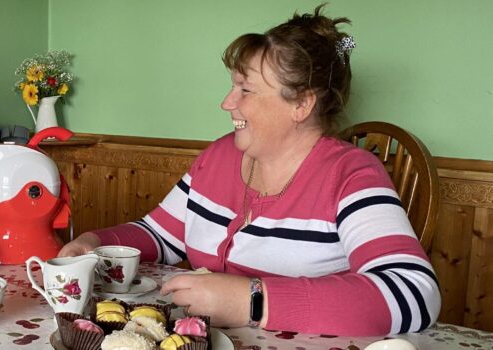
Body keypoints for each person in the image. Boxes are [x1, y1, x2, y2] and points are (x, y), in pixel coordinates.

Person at [58, 5, 440, 337]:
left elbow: (414, 293)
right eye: (232, 87)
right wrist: (94, 242)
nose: (227, 103)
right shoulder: (220, 155)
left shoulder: (352, 173)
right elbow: (160, 235)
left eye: (246, 90)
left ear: (301, 105)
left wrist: (253, 301)